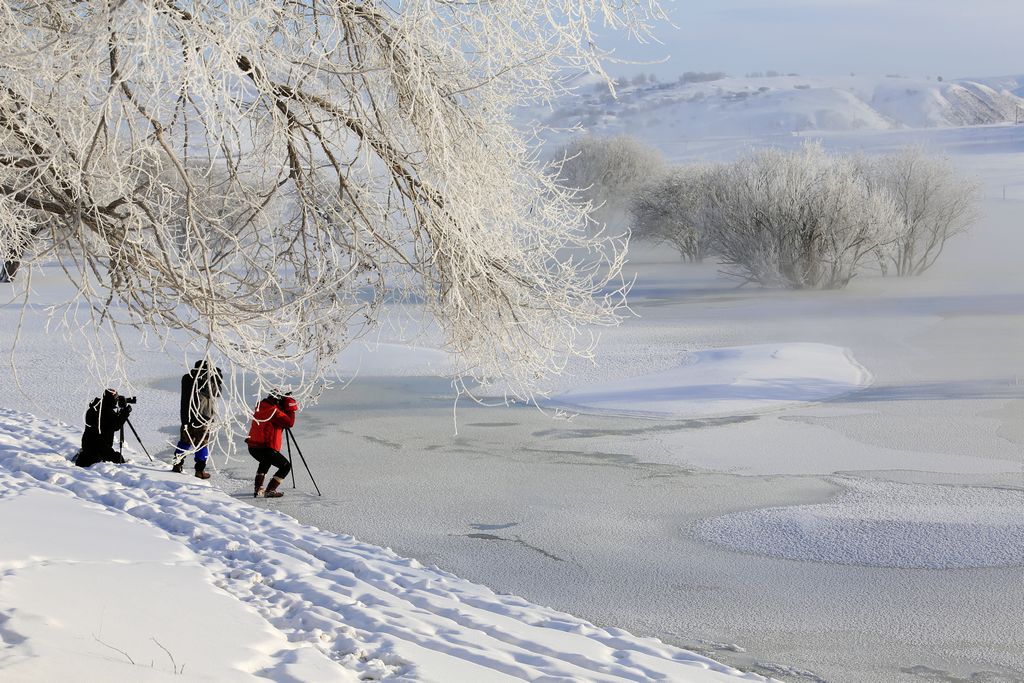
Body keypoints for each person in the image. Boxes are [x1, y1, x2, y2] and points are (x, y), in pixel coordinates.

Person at [172, 360, 224, 479]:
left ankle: (177, 465)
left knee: (184, 442)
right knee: (202, 445)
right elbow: (215, 392)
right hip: (202, 418)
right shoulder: (203, 381)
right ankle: (199, 471)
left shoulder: (187, 378)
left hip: (187, 417)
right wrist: (217, 379)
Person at [245, 392, 297, 498]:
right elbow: (289, 423)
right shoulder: (274, 411)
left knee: (265, 461)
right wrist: (290, 406)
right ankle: (270, 490)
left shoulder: (261, 406)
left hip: (253, 447)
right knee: (285, 466)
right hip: (265, 447)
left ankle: (258, 488)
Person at [76, 389, 132, 467]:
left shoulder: (93, 408)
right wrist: (125, 412)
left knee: (87, 456)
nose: (116, 401)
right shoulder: (108, 412)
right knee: (118, 459)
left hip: (87, 444)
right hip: (102, 447)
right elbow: (116, 426)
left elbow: (109, 423)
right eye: (116, 399)